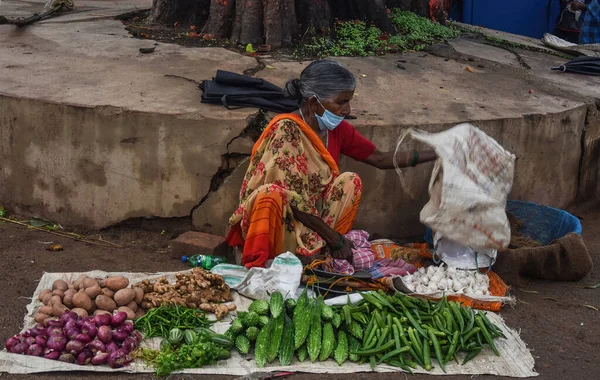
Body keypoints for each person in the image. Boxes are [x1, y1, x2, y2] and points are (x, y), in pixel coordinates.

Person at [226, 60, 437, 269]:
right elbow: (292, 201)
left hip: (313, 228)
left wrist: (439, 151)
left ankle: (321, 255)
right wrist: (336, 239)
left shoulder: (337, 130)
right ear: (314, 103)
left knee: (350, 182)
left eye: (348, 101)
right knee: (270, 194)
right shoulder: (286, 131)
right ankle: (262, 262)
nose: (347, 109)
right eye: (341, 102)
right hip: (280, 224)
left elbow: (380, 159)